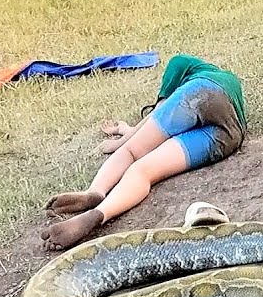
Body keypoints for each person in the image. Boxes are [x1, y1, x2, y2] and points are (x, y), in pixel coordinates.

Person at [40, 53, 247, 250]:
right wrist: (125, 130)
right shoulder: (230, 82)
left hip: (200, 92)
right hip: (231, 133)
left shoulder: (181, 63)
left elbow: (161, 109)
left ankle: (96, 195)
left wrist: (121, 142)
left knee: (133, 156)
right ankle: (98, 213)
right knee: (145, 169)